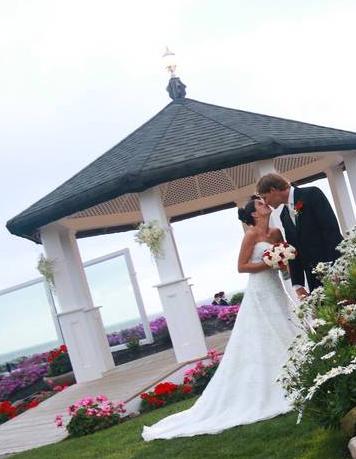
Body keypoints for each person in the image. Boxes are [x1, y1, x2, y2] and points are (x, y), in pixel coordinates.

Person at [141, 196, 303, 441]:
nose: (264, 205)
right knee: (263, 336)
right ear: (253, 214)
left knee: (287, 326)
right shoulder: (250, 236)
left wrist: (282, 264)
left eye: (263, 202)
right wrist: (268, 263)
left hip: (276, 288)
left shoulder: (276, 232)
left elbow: (283, 263)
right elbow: (242, 266)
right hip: (260, 290)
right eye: (259, 204)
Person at [256, 172, 342, 293]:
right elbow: (294, 250)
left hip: (337, 271)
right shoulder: (284, 215)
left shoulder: (312, 194)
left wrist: (335, 269)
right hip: (314, 280)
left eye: (264, 197)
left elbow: (331, 232)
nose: (265, 203)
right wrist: (298, 285)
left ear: (273, 190)